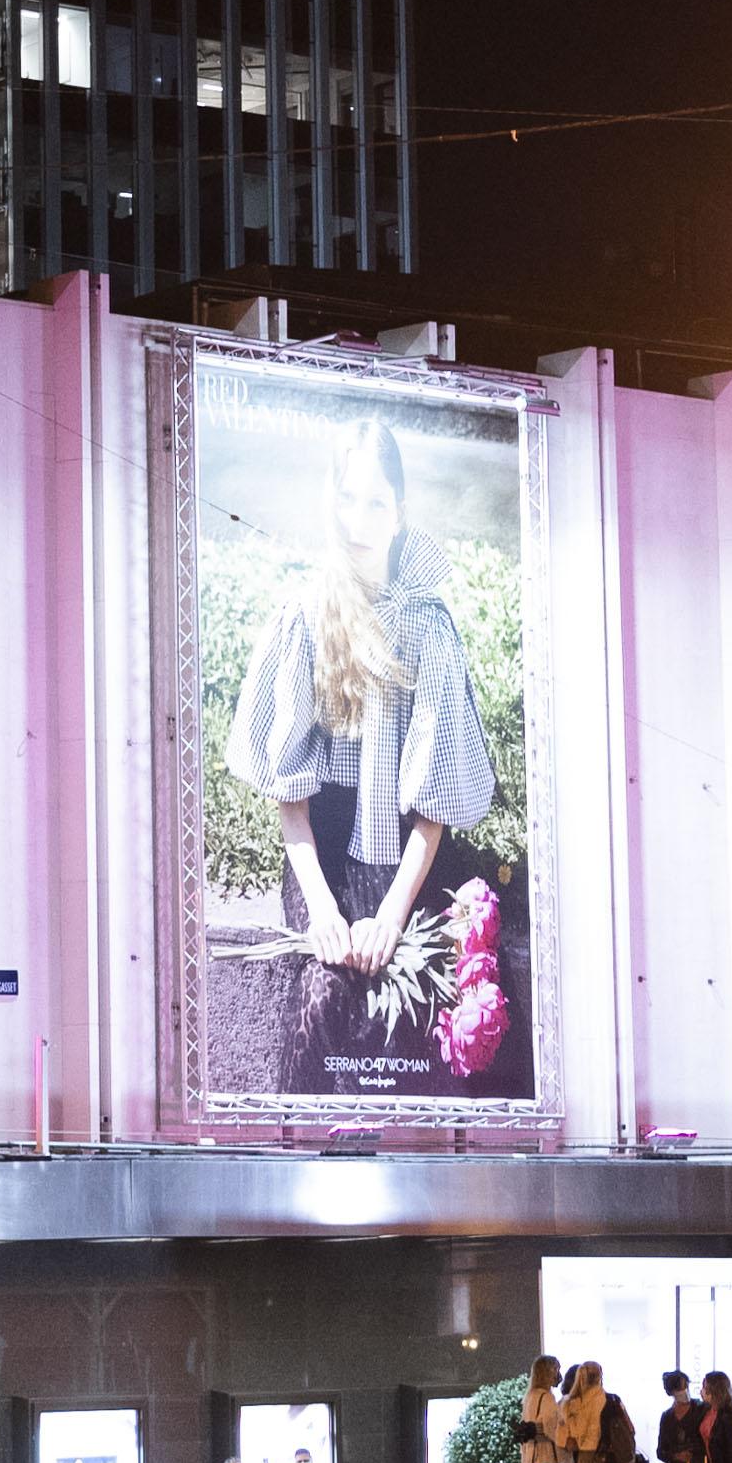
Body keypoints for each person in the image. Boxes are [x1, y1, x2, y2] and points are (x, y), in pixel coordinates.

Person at [224, 417, 507, 1090]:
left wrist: (390, 916)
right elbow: (290, 803)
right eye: (347, 499)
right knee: (327, 994)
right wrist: (324, 910)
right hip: (320, 850)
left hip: (402, 847)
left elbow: (432, 808)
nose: (358, 520)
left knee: (396, 1002)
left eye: (375, 502)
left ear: (399, 509)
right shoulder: (305, 612)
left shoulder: (427, 626)